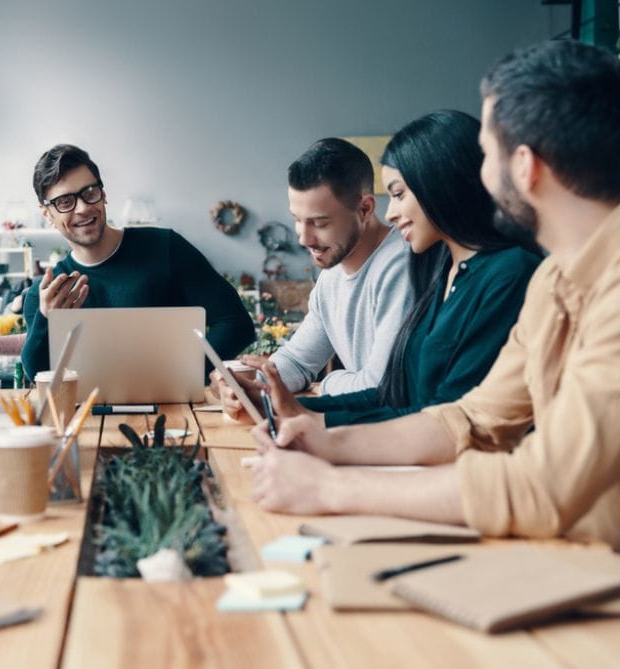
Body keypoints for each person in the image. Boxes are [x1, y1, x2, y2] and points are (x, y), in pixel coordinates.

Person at [249, 40, 620, 550]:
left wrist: (334, 485)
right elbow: (470, 419)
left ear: (525, 167)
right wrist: (327, 440)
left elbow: (545, 485)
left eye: (487, 155)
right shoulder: (555, 281)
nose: (480, 175)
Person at [253, 111, 542, 427]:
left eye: (398, 194)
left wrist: (320, 414)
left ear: (441, 185)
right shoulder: (444, 270)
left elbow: (448, 421)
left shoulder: (505, 273)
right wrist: (292, 405)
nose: (390, 213)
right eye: (297, 220)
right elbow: (402, 397)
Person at [19, 144, 254, 381]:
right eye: (65, 202)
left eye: (90, 192)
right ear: (48, 214)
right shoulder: (48, 294)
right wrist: (45, 317)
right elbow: (36, 373)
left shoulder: (166, 247)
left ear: (104, 194)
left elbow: (235, 323)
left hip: (174, 412)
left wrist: (184, 374)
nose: (82, 208)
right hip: (88, 416)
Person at [216, 138, 413, 420]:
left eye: (320, 223)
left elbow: (381, 388)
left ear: (366, 209)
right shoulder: (332, 272)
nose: (303, 238)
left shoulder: (399, 266)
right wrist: (255, 387)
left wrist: (329, 383)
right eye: (297, 219)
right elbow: (298, 360)